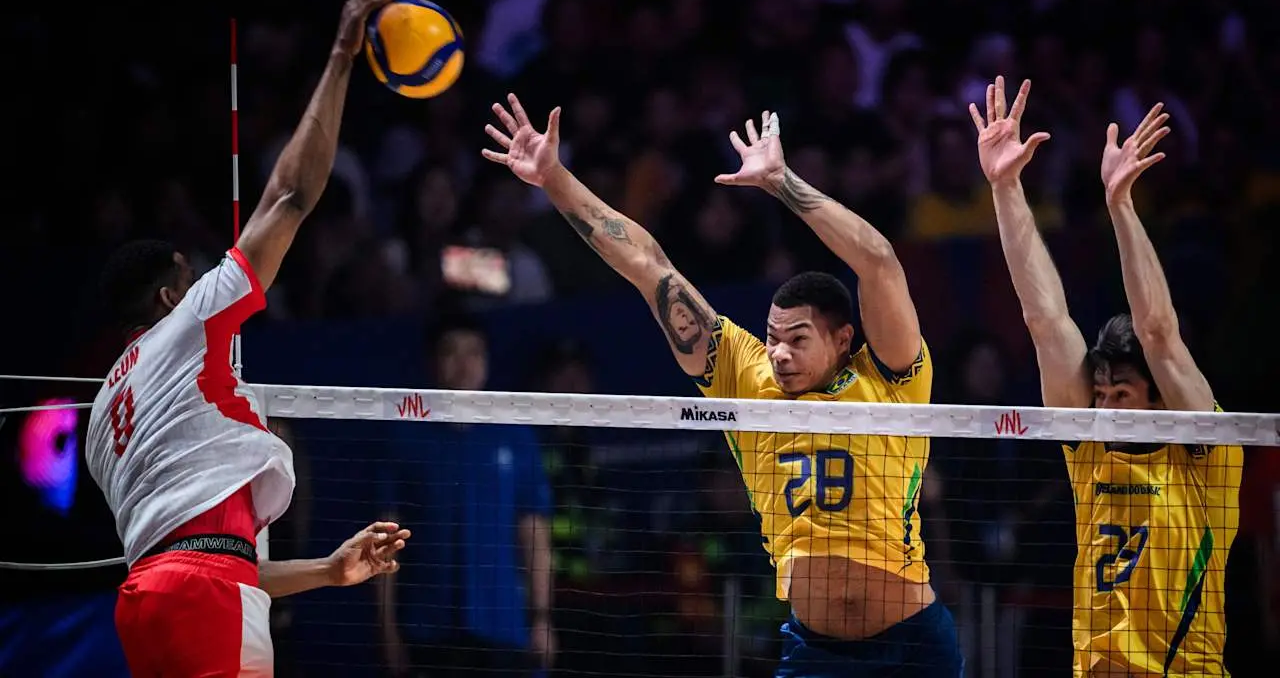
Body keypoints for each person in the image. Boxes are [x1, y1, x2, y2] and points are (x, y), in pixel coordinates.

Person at [483, 93, 962, 677]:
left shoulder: (890, 378)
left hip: (911, 647)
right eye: (773, 337)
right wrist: (554, 179)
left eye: (798, 339)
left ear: (843, 339)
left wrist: (782, 183)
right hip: (816, 653)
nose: (779, 353)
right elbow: (649, 267)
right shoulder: (745, 374)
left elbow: (879, 260)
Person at [84, 0, 412, 677]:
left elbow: (203, 557)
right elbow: (291, 196)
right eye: (191, 273)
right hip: (205, 596)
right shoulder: (191, 323)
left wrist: (328, 571)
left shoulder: (104, 416)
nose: (205, 278)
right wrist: (341, 57)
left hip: (146, 604)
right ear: (170, 296)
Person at [972, 75, 1241, 676]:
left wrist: (1120, 205)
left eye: (1122, 394)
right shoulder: (1090, 451)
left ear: (1160, 400)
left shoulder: (1206, 457)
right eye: (1101, 394)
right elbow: (1045, 320)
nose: (1107, 408)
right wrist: (1005, 188)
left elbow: (1159, 333)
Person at [379, 315, 554, 678]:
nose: (463, 364)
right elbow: (384, 539)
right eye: (451, 352)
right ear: (432, 362)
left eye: (473, 353)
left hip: (503, 625)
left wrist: (541, 617)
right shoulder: (404, 439)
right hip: (428, 627)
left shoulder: (516, 435)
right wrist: (388, 632)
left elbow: (534, 532)